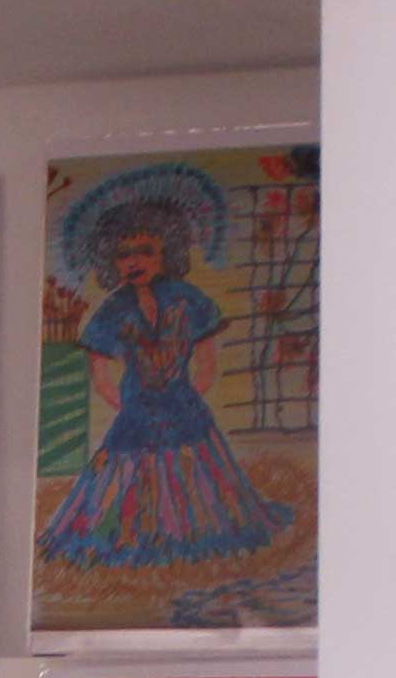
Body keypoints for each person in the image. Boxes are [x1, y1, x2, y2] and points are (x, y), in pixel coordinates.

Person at [44, 170, 287, 572]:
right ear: (109, 260)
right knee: (124, 472)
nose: (133, 261)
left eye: (145, 250)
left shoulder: (189, 299)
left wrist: (186, 396)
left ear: (168, 251)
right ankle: (131, 536)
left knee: (196, 471)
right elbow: (100, 374)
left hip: (184, 405)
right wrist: (129, 406)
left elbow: (207, 362)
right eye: (123, 254)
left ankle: (192, 534)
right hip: (136, 411)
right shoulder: (112, 309)